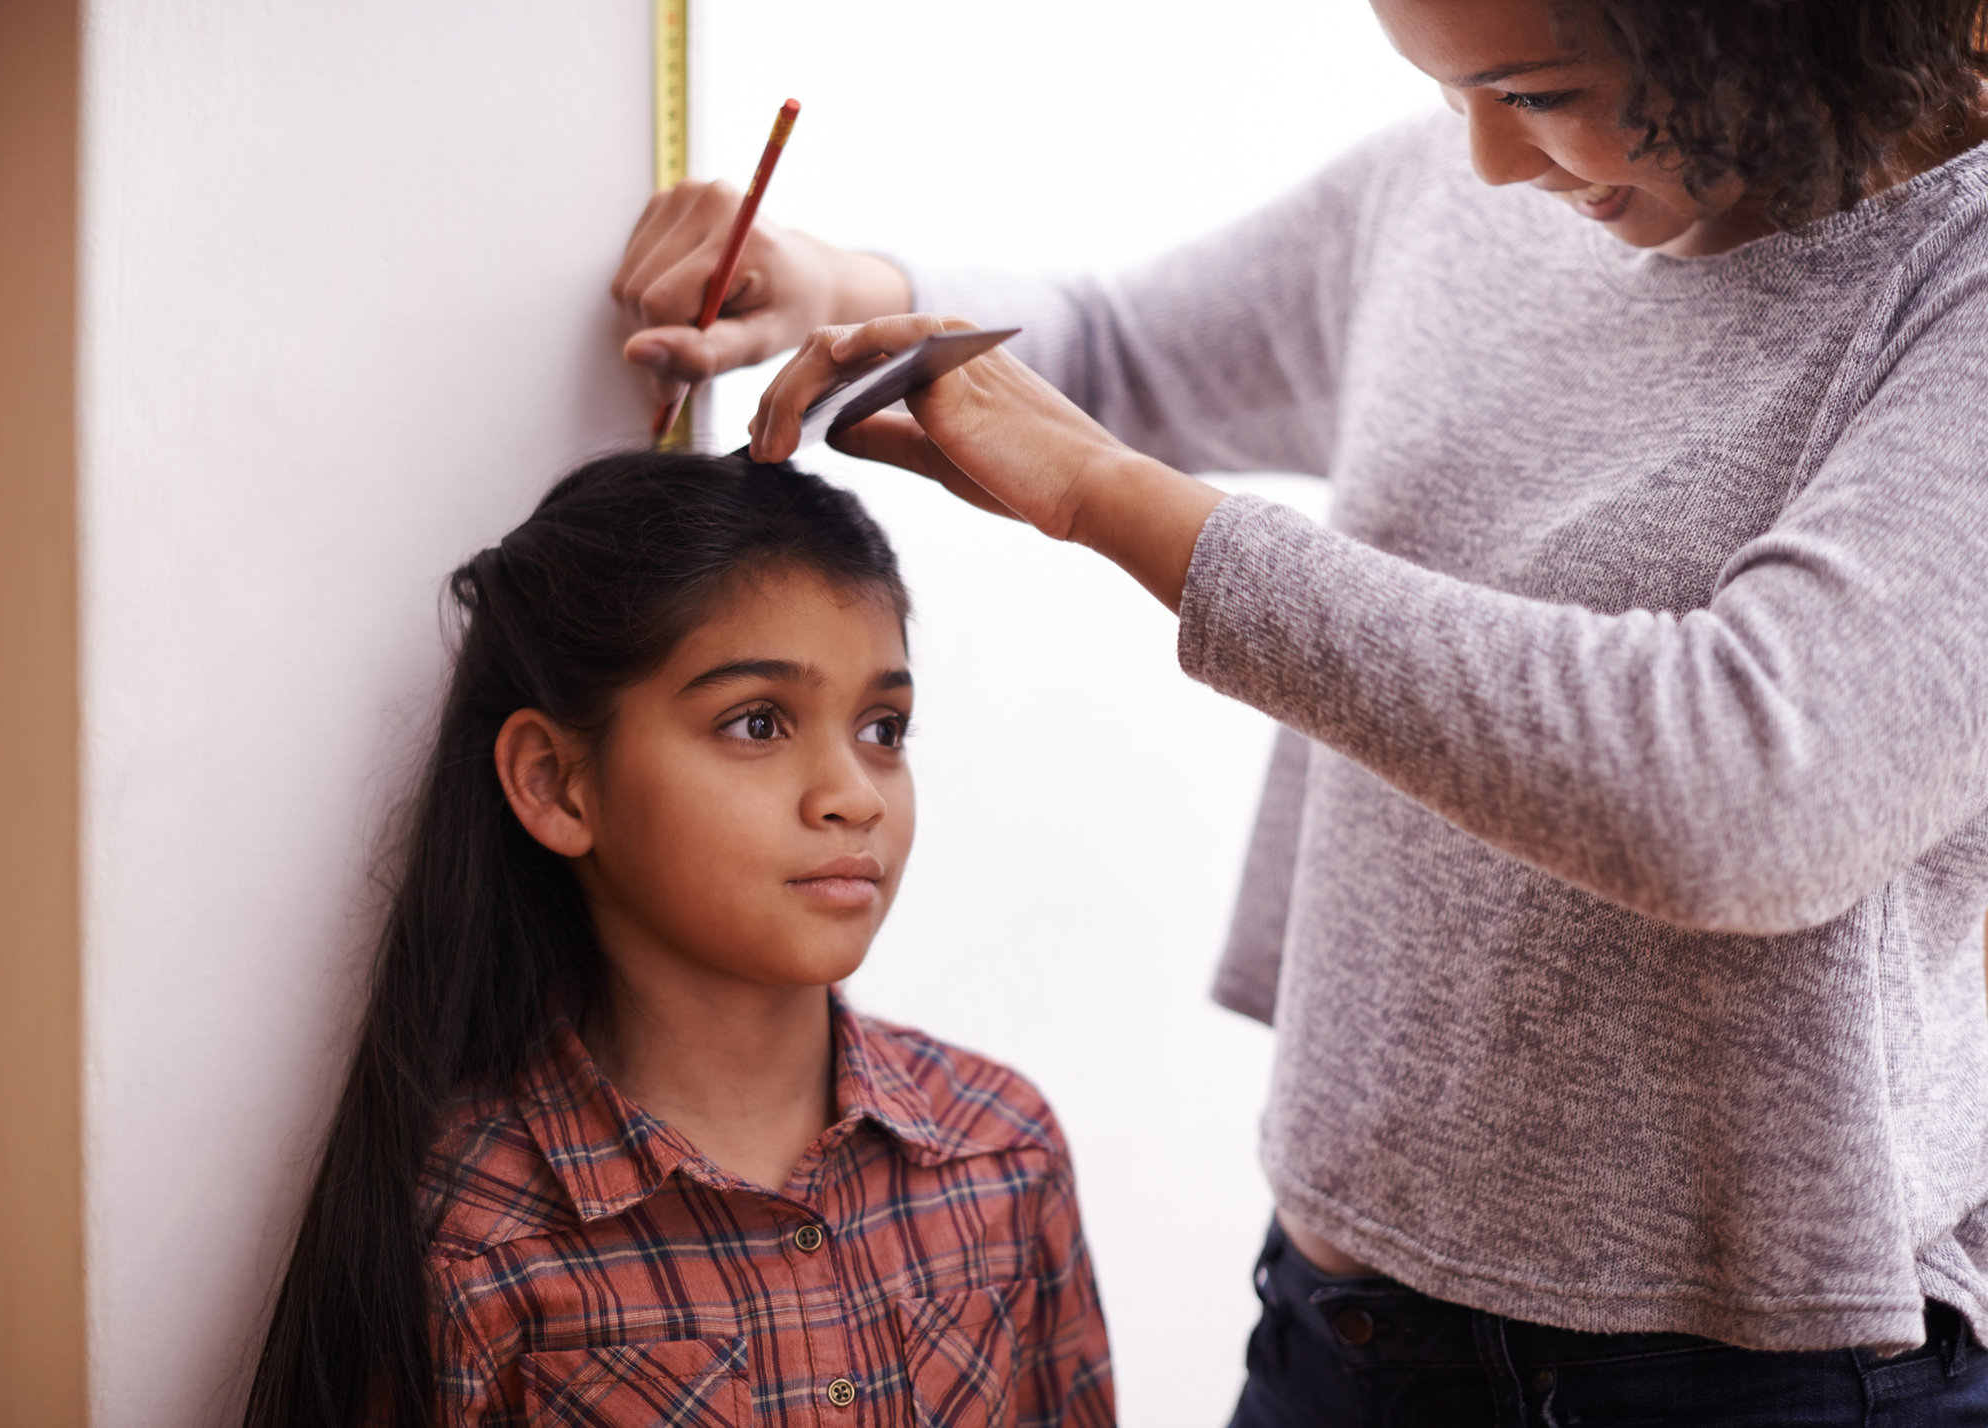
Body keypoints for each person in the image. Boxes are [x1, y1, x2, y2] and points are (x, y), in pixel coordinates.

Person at [612, 0, 1988, 1422]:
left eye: (1538, 91)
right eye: (1453, 91)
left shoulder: (1958, 288)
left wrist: (1129, 511)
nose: (1495, 163)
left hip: (1758, 1383)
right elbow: (1118, 348)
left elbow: (1747, 791)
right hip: (1343, 1327)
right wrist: (832, 282)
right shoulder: (1444, 190)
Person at [243, 452, 1115, 1427]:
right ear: (556, 783)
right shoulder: (470, 1239)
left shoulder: (1002, 1152)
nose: (853, 796)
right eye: (756, 723)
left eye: (882, 727)